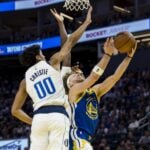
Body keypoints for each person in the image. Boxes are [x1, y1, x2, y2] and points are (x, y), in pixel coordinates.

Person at [11, 7, 92, 150]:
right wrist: (86, 23)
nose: (43, 55)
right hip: (58, 115)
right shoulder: (52, 64)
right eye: (41, 53)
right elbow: (68, 44)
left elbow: (15, 110)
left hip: (39, 119)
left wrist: (32, 120)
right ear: (37, 56)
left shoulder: (25, 80)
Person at [63, 42, 137, 150]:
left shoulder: (95, 92)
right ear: (69, 84)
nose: (79, 75)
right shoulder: (73, 92)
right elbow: (93, 77)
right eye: (75, 75)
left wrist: (129, 57)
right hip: (75, 137)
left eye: (81, 73)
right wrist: (107, 55)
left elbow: (114, 77)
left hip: (85, 139)